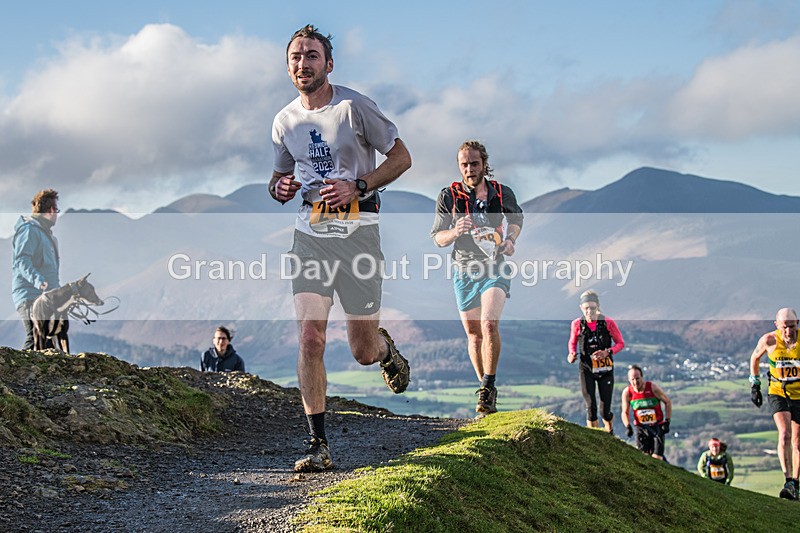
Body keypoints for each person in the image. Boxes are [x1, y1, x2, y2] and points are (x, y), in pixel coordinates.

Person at [269, 24, 412, 472]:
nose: (302, 63)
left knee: (361, 350)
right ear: (287, 65)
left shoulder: (354, 107)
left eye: (312, 55)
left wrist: (359, 185)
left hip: (359, 231)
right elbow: (278, 180)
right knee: (310, 337)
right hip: (310, 235)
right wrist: (280, 187)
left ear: (328, 64)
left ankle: (385, 350)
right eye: (296, 56)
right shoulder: (284, 121)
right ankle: (317, 444)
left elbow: (402, 157)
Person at [430, 140, 523, 418]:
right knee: (473, 336)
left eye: (474, 163)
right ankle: (486, 395)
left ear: (484, 164)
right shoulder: (449, 196)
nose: (469, 169)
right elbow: (437, 238)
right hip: (463, 270)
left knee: (489, 323)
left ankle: (487, 386)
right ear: (459, 166)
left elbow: (516, 219)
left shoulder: (501, 192)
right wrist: (456, 231)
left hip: (494, 267)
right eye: (464, 164)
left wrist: (510, 240)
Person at [749, 307, 800, 500]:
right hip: (778, 392)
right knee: (785, 433)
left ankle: (796, 482)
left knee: (797, 441)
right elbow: (754, 357)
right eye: (784, 327)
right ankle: (788, 480)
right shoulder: (769, 340)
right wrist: (755, 385)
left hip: (799, 394)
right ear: (777, 325)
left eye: (792, 326)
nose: (788, 331)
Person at [567, 290, 625, 433]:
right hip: (586, 369)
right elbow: (572, 342)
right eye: (586, 308)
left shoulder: (607, 322)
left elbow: (620, 343)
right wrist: (572, 354)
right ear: (581, 307)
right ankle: (594, 437)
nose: (589, 311)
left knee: (605, 410)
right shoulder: (577, 324)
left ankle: (608, 428)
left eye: (592, 308)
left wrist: (608, 352)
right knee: (590, 406)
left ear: (598, 307)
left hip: (605, 370)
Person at [11, 189, 61, 350]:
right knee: (35, 336)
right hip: (30, 295)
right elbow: (22, 259)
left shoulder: (47, 236)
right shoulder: (29, 230)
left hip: (44, 298)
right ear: (51, 210)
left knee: (47, 342)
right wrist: (38, 281)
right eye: (56, 210)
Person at [621, 364, 672, 460]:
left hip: (657, 426)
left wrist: (667, 421)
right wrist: (627, 426)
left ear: (642, 377)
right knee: (643, 457)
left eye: (637, 378)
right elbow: (624, 412)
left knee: (657, 457)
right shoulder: (627, 392)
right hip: (641, 428)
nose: (635, 382)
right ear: (629, 380)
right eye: (632, 379)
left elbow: (667, 402)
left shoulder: (652, 388)